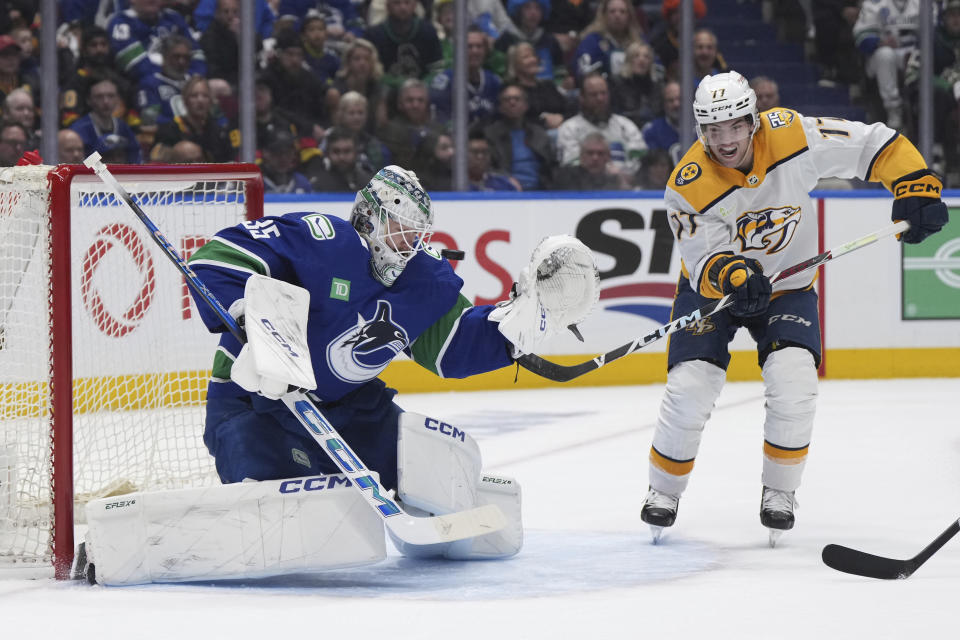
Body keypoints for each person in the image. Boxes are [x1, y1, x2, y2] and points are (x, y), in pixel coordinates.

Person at [171, 165, 597, 576]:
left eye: (416, 232)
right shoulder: (323, 240)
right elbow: (218, 257)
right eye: (399, 226)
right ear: (368, 216)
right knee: (282, 512)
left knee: (431, 472)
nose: (408, 242)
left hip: (350, 410)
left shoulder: (420, 277)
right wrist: (249, 316)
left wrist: (519, 326)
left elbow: (452, 350)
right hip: (256, 405)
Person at [639, 70, 948, 544]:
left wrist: (913, 183)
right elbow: (702, 259)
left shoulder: (791, 134)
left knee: (794, 378)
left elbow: (872, 144)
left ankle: (779, 492)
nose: (725, 140)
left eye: (735, 126)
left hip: (788, 285)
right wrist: (736, 276)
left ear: (753, 120)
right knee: (689, 386)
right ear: (700, 130)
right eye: (712, 129)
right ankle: (663, 491)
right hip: (714, 289)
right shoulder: (688, 183)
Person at [556, 72, 647, 176]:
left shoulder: (626, 126)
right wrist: (608, 174)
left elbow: (640, 161)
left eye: (603, 93)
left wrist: (623, 175)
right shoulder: (569, 129)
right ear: (582, 98)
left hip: (625, 187)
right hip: (584, 187)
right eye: (593, 95)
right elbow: (571, 165)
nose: (600, 99)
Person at [853, 0, 919, 130]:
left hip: (913, 52)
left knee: (923, 56)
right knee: (885, 55)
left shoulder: (921, 4)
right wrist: (880, 42)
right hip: (881, 56)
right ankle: (894, 111)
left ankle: (920, 112)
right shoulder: (875, 4)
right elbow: (861, 37)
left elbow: (938, 31)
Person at [482, 82, 557, 190]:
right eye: (507, 99)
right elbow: (488, 168)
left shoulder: (539, 134)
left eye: (517, 99)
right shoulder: (490, 135)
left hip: (541, 192)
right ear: (500, 107)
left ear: (526, 105)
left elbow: (551, 167)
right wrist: (505, 179)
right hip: (506, 191)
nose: (512, 102)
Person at [70, 76, 142, 164]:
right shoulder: (78, 130)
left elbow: (135, 158)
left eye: (111, 96)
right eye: (99, 97)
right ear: (89, 100)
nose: (106, 101)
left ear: (118, 99)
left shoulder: (123, 127)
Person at [553, 131, 631, 190]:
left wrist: (620, 178)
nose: (595, 158)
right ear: (581, 155)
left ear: (608, 157)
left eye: (600, 153)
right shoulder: (565, 176)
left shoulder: (614, 179)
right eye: (590, 153)